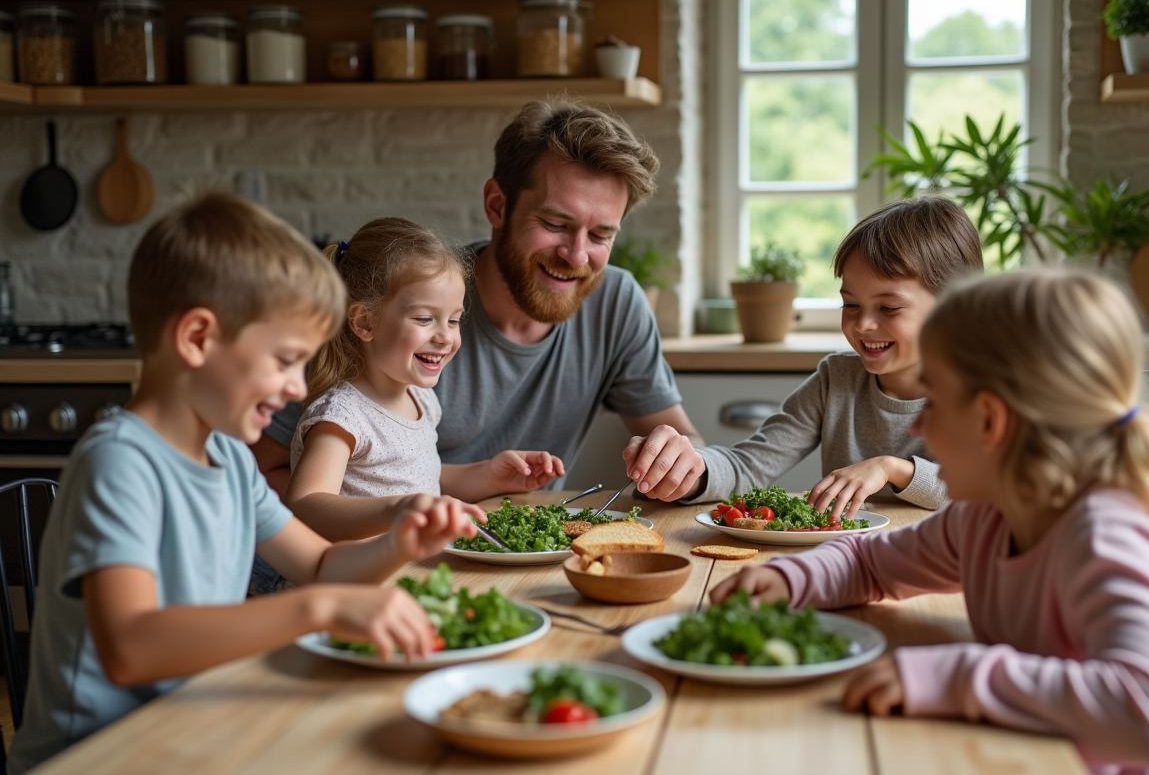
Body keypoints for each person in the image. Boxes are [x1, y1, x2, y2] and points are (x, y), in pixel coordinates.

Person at [8, 193, 485, 774]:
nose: (292, 389)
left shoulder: (230, 462)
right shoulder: (120, 462)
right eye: (284, 360)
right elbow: (132, 647)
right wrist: (322, 608)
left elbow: (322, 566)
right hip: (100, 757)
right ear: (198, 339)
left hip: (192, 733)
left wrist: (398, 543)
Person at [713, 268, 1149, 773]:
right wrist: (789, 577)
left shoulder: (1106, 535)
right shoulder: (985, 517)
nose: (918, 426)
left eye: (935, 402)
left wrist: (960, 677)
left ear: (990, 421)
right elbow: (871, 565)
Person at [253, 98, 702, 495]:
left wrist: (679, 461)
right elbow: (262, 473)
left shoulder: (617, 303)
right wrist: (386, 526)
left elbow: (689, 443)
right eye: (555, 224)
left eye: (601, 234)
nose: (577, 255)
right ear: (496, 205)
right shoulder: (395, 308)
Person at [624, 196, 982, 516]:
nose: (863, 325)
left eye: (888, 307)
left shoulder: (982, 388)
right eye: (851, 304)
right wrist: (691, 470)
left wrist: (891, 468)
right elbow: (749, 466)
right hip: (849, 561)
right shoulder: (837, 379)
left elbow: (982, 494)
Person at [286, 217, 565, 543]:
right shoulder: (343, 417)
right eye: (424, 319)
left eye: (454, 320)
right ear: (365, 322)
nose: (445, 337)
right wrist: (399, 510)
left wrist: (489, 475)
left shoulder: (419, 400)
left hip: (406, 573)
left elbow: (420, 480)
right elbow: (305, 506)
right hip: (350, 585)